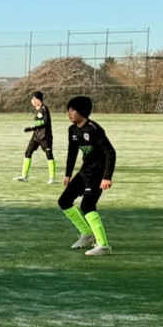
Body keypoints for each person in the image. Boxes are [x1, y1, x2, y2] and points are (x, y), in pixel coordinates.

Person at [59, 96, 116, 256]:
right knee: (64, 201)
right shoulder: (73, 130)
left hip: (98, 173)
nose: (69, 114)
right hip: (85, 171)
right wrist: (68, 174)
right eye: (68, 110)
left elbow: (110, 152)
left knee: (87, 206)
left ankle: (103, 245)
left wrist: (107, 177)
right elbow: (72, 152)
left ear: (82, 111)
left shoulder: (94, 129)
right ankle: (87, 233)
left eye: (72, 110)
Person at [16, 91, 56, 184]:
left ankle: (52, 178)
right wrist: (33, 130)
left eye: (34, 98)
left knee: (49, 155)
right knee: (27, 153)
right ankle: (24, 176)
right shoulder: (35, 110)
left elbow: (45, 123)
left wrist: (32, 128)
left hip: (45, 136)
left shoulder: (44, 109)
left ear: (38, 99)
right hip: (36, 136)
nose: (32, 100)